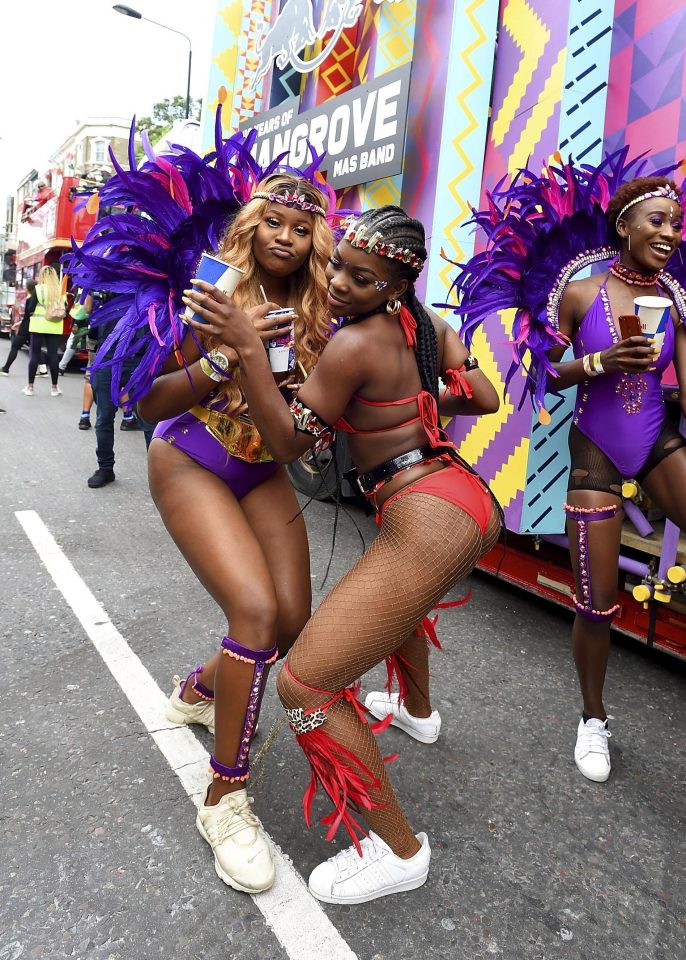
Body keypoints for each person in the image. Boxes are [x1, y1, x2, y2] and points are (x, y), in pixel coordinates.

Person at [183, 205, 503, 904]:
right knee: (398, 601)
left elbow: (292, 440)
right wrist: (411, 400)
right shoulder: (423, 326)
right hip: (462, 499)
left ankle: (400, 852)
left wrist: (243, 347)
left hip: (426, 512)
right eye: (337, 267)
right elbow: (482, 393)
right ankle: (417, 711)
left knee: (307, 686)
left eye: (361, 279)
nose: (336, 284)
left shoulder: (353, 344)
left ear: (394, 287)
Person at [453, 158, 686, 785]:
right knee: (596, 603)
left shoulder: (672, 297)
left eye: (677, 224)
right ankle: (592, 718)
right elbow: (543, 373)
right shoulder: (581, 293)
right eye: (658, 221)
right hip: (595, 451)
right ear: (625, 225)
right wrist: (599, 361)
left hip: (655, 439)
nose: (670, 233)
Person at [136, 172, 334, 894]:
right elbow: (149, 398)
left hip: (261, 466)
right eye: (274, 221)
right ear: (253, 225)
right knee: (251, 613)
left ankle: (197, 690)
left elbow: (295, 435)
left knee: (289, 622)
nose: (286, 236)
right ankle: (225, 799)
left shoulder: (320, 308)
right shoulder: (213, 287)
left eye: (301, 227)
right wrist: (228, 352)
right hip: (191, 453)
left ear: (317, 240)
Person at [22, 265, 66, 396]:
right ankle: (54, 388)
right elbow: (65, 309)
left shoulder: (38, 289)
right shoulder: (60, 290)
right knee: (53, 355)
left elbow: (30, 308)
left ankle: (30, 387)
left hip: (38, 326)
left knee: (34, 355)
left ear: (42, 276)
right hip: (55, 326)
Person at [1, 280, 35, 376]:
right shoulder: (36, 299)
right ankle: (43, 369)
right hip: (34, 327)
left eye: (25, 286)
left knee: (15, 346)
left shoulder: (29, 299)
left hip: (25, 328)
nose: (24, 288)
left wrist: (19, 324)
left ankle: (5, 368)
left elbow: (26, 317)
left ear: (29, 288)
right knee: (35, 347)